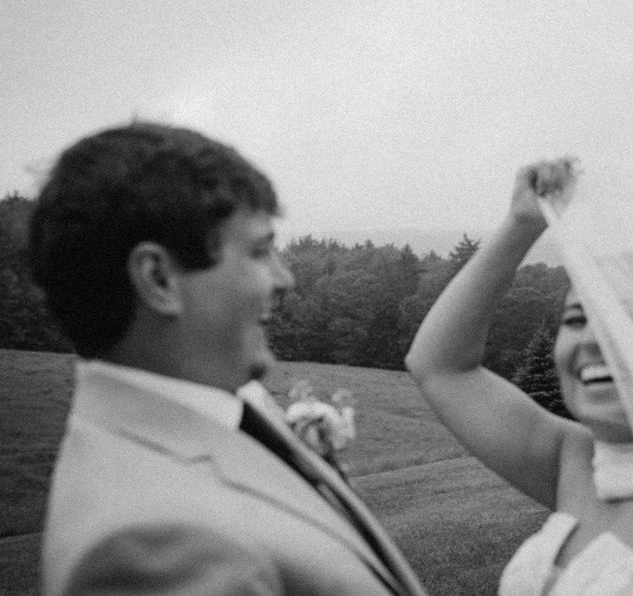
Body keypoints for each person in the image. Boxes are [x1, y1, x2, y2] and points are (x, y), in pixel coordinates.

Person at [32, 123, 426, 596]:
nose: (285, 279)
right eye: (260, 251)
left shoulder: (220, 413)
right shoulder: (152, 550)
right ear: (158, 279)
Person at [405, 159, 633, 595]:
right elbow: (439, 366)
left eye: (625, 318)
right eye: (576, 319)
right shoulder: (573, 463)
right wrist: (521, 224)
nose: (592, 340)